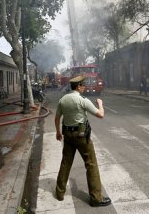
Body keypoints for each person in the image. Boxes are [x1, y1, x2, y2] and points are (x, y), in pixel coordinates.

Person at [54, 75, 111, 207]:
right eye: (83, 85)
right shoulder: (82, 100)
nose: (84, 87)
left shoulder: (63, 99)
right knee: (91, 164)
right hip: (81, 137)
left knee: (65, 163)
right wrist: (100, 104)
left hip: (67, 135)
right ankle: (96, 198)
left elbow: (57, 118)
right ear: (78, 86)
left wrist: (58, 132)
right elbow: (100, 115)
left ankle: (60, 193)